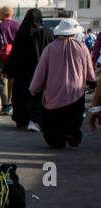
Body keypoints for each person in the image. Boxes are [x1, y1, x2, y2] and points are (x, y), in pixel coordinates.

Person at [29, 19, 95, 149]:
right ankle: (71, 133)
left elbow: (41, 70)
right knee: (74, 119)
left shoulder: (50, 48)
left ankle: (56, 140)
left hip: (54, 92)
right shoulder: (82, 47)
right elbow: (89, 68)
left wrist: (34, 88)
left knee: (53, 121)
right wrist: (92, 82)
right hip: (75, 92)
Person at [6, 8, 51, 131]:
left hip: (22, 72)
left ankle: (21, 120)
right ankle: (35, 120)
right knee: (37, 95)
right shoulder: (46, 33)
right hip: (40, 71)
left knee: (20, 94)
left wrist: (8, 69)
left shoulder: (22, 32)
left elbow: (14, 53)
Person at [0, 5, 19, 117]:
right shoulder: (18, 25)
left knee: (2, 81)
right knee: (13, 80)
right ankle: (12, 103)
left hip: (0, 57)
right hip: (14, 56)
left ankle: (6, 106)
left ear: (2, 14)